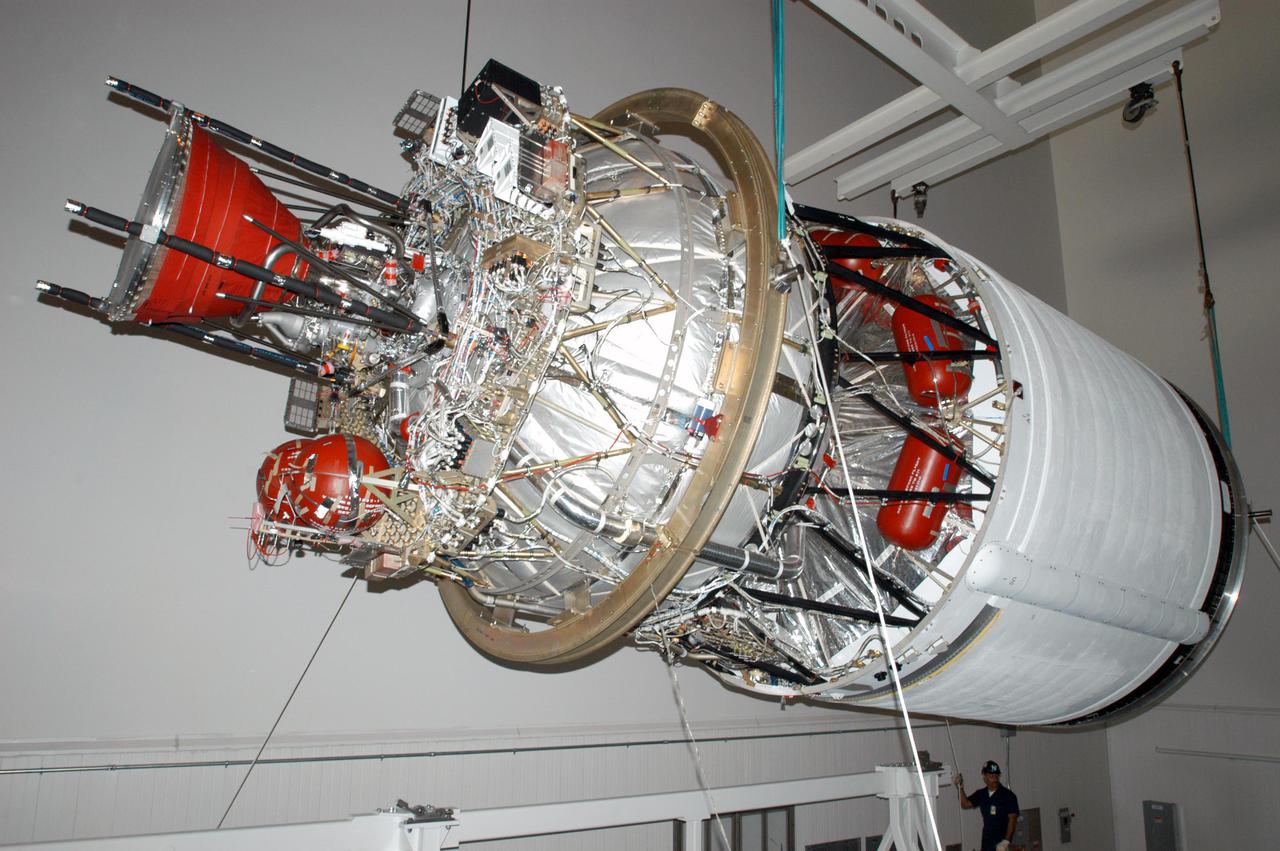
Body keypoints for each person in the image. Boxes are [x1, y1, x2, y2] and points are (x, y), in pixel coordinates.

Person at [955, 759, 1018, 851]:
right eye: (991, 776)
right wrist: (960, 787)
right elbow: (965, 804)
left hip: (1002, 845)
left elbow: (1013, 819)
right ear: (984, 777)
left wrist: (1006, 841)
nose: (995, 779)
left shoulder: (1008, 796)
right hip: (987, 844)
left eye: (996, 776)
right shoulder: (982, 794)